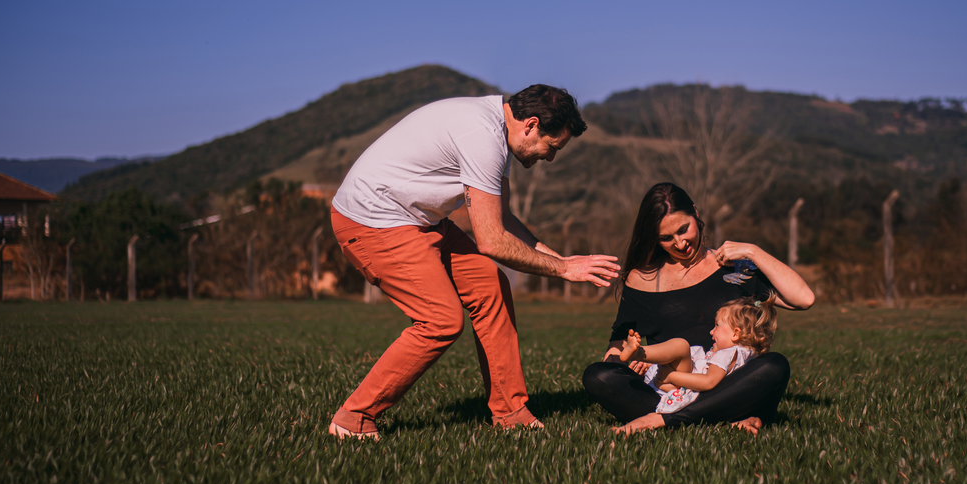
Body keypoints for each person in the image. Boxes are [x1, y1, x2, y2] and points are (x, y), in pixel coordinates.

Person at [329, 85, 620, 439]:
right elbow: (492, 241)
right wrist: (563, 270)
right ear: (530, 125)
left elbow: (504, 220)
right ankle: (353, 418)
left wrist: (559, 258)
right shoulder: (482, 136)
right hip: (374, 221)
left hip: (421, 221)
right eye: (552, 147)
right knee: (440, 321)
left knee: (490, 287)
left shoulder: (498, 131)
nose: (550, 157)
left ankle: (510, 412)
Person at [582, 182, 813, 435]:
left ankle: (665, 421)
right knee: (598, 375)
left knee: (774, 365)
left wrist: (752, 251)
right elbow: (617, 346)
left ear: (696, 213)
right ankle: (726, 419)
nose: (680, 243)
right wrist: (634, 360)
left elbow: (803, 299)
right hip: (670, 385)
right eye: (666, 238)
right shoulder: (641, 279)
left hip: (729, 383)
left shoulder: (735, 269)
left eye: (684, 230)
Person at [614, 293, 778, 429]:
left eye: (717, 325)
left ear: (735, 334)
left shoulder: (728, 353)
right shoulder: (750, 356)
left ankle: (639, 353)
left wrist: (670, 376)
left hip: (678, 388)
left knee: (681, 345)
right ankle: (640, 354)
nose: (711, 331)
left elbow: (707, 381)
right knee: (683, 348)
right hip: (693, 393)